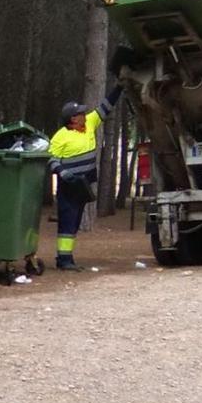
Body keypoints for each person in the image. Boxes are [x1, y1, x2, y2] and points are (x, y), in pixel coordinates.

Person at [48, 84, 123, 271]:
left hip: (83, 186)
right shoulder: (60, 136)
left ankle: (67, 258)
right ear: (73, 119)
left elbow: (105, 107)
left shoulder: (89, 123)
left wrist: (119, 87)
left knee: (74, 222)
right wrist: (61, 172)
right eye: (80, 113)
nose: (84, 114)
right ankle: (63, 260)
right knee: (67, 221)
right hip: (68, 186)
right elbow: (50, 159)